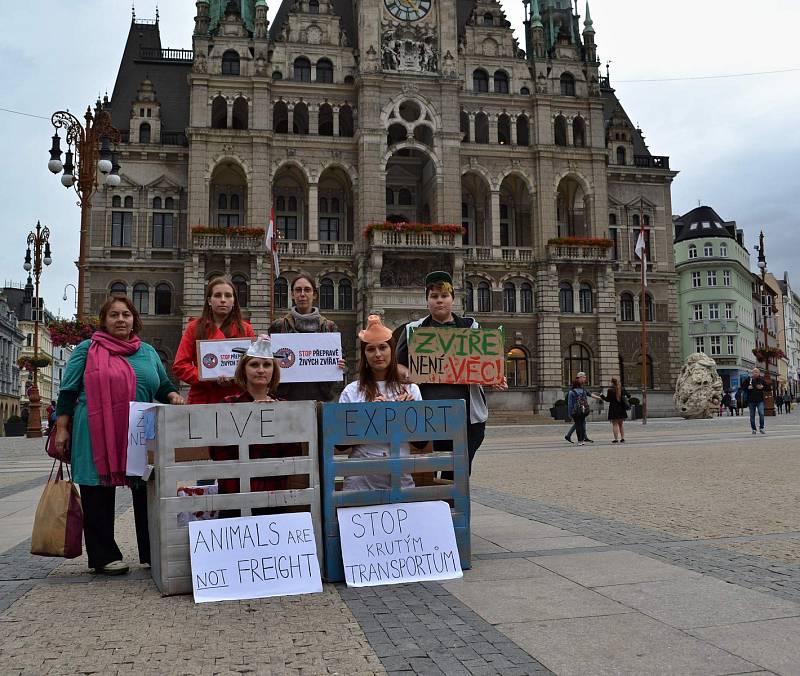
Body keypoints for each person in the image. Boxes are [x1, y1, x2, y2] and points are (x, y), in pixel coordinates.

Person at [53, 296, 183, 575]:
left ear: (135, 319)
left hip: (140, 426)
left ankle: (152, 551)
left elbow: (161, 384)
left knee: (145, 487)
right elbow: (67, 392)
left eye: (126, 314)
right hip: (95, 429)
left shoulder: (147, 351)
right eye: (114, 315)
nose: (121, 319)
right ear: (104, 320)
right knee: (96, 489)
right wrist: (62, 428)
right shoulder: (87, 350)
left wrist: (173, 396)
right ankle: (103, 556)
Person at [395, 271, 507, 477]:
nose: (439, 301)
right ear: (427, 300)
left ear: (453, 299)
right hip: (425, 418)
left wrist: (495, 377)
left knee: (458, 475)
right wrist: (409, 374)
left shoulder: (471, 328)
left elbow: (485, 366)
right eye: (434, 296)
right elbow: (397, 366)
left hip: (467, 419)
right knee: (425, 475)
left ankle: (453, 508)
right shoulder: (413, 329)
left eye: (444, 296)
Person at [210, 335, 301, 511]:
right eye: (254, 364)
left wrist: (278, 420)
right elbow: (217, 452)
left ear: (274, 370)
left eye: (266, 365)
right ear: (243, 369)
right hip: (235, 496)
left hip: (275, 495)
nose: (261, 370)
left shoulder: (283, 407)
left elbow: (293, 453)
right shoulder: (229, 404)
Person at [339, 315, 422, 490]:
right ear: (364, 355)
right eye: (370, 349)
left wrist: (409, 413)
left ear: (392, 350)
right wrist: (368, 415)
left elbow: (421, 443)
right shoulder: (351, 391)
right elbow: (340, 444)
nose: (377, 354)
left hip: (400, 480)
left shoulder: (411, 390)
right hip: (360, 482)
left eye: (383, 347)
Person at [173, 276, 255, 404]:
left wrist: (237, 377)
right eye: (217, 295)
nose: (223, 300)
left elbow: (252, 364)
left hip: (237, 398)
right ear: (209, 301)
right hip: (203, 398)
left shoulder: (246, 329)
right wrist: (207, 377)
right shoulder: (194, 328)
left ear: (234, 301)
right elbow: (180, 365)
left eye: (228, 296)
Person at [268, 272, 345, 401]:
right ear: (292, 294)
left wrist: (341, 364)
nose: (302, 294)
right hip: (286, 398)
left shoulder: (329, 327)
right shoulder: (279, 326)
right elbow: (268, 362)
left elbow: (339, 360)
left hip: (320, 398)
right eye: (298, 290)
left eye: (307, 290)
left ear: (314, 294)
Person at [564, 371, 601, 443]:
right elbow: (570, 401)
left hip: (580, 408)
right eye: (584, 377)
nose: (585, 379)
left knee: (580, 423)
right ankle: (581, 437)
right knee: (579, 423)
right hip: (577, 409)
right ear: (580, 377)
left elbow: (589, 394)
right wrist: (570, 412)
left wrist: (599, 398)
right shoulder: (576, 386)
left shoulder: (582, 387)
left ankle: (579, 436)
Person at [600, 377, 630, 443]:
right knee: (621, 424)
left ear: (612, 383)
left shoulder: (610, 390)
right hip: (621, 408)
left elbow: (608, 400)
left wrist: (602, 396)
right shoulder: (622, 389)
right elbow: (629, 396)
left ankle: (616, 439)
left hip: (613, 408)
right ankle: (622, 438)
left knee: (615, 424)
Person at [743, 367, 767, 434]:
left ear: (759, 373)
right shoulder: (748, 379)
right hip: (751, 401)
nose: (755, 373)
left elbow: (768, 387)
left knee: (761, 413)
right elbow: (743, 387)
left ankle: (761, 427)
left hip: (760, 400)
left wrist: (763, 387)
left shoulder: (761, 379)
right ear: (752, 373)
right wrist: (747, 388)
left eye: (757, 372)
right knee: (752, 415)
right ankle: (753, 429)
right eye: (754, 372)